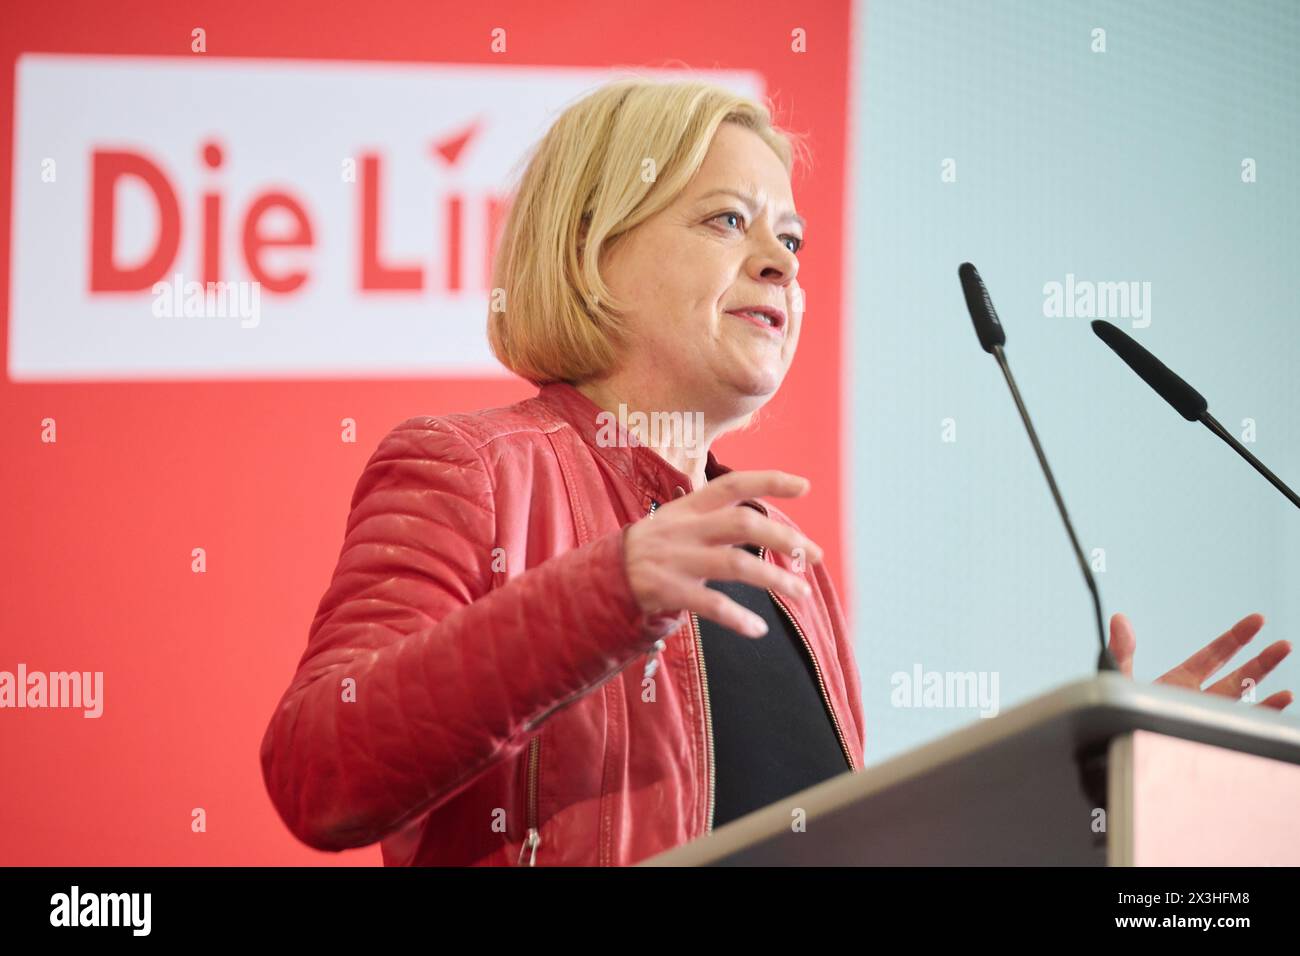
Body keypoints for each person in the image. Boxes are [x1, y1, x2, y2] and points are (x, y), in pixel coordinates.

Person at [259, 77, 1292, 867]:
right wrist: (608, 589)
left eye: (790, 237)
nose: (781, 264)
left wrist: (1096, 786)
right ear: (588, 252)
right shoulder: (476, 469)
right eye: (726, 221)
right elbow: (319, 766)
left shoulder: (777, 557)